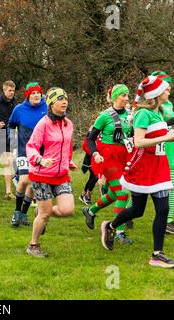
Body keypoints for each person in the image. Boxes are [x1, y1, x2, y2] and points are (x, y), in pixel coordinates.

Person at [101, 76, 174, 268]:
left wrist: (166, 135)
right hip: (142, 167)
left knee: (163, 209)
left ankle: (157, 254)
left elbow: (160, 133)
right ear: (157, 94)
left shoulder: (159, 113)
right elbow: (138, 142)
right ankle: (110, 226)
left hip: (158, 166)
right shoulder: (143, 114)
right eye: (166, 89)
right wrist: (166, 138)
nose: (169, 92)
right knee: (138, 210)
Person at [26, 88, 77, 257]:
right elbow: (31, 146)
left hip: (61, 174)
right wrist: (40, 160)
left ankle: (40, 213)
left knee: (67, 209)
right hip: (41, 175)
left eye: (66, 98)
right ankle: (33, 245)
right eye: (60, 99)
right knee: (45, 213)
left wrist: (69, 161)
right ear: (51, 103)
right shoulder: (43, 124)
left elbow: (67, 146)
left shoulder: (68, 124)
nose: (64, 102)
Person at [82, 84, 133, 244]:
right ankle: (118, 231)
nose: (126, 99)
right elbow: (90, 139)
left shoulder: (130, 115)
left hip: (123, 157)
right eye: (123, 95)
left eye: (127, 96)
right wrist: (95, 153)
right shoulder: (105, 116)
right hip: (107, 158)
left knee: (113, 194)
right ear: (115, 97)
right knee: (123, 192)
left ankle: (91, 210)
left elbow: (131, 137)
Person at [9, 82, 47, 227]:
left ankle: (24, 212)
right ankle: (17, 211)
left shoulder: (47, 107)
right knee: (24, 180)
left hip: (42, 153)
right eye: (33, 93)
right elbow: (10, 125)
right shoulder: (19, 109)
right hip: (24, 150)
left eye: (38, 93)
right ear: (28, 96)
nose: (36, 95)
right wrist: (11, 141)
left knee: (33, 183)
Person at [150, 71, 174, 235]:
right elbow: (157, 126)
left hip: (170, 146)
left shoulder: (169, 104)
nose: (170, 88)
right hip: (158, 148)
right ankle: (169, 222)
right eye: (166, 85)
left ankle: (170, 221)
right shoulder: (152, 106)